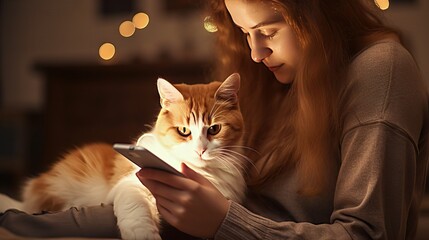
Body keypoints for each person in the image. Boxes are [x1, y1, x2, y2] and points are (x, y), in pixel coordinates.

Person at [1, 0, 428, 239]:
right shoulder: (278, 79)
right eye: (245, 33)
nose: (256, 53)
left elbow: (368, 236)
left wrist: (225, 220)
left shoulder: (380, 69)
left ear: (316, 13)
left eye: (270, 30)